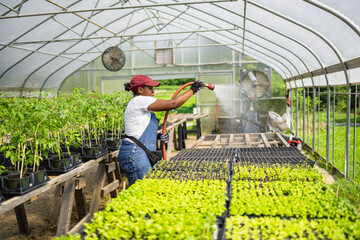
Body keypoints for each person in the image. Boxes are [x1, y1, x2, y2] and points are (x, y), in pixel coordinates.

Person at [119, 75, 205, 185]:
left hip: (138, 152)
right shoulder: (139, 100)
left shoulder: (139, 104)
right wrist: (192, 90)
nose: (153, 92)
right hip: (135, 153)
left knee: (145, 190)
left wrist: (158, 136)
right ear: (140, 90)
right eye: (150, 89)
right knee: (142, 191)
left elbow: (138, 131)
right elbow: (173, 104)